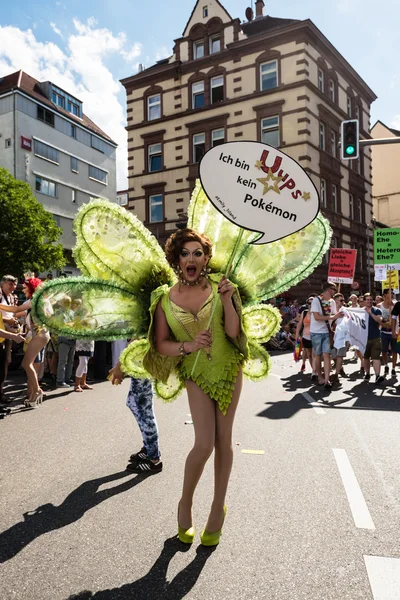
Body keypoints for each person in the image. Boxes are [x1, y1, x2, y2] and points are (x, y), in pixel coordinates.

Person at [110, 228, 246, 547]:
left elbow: (233, 331)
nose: (191, 258)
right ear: (176, 259)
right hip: (195, 372)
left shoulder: (224, 287)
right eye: (185, 253)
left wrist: (227, 300)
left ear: (206, 258)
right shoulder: (164, 299)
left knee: (224, 440)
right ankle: (185, 504)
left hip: (228, 368)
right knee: (204, 443)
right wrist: (188, 345)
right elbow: (160, 344)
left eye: (197, 253)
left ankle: (217, 508)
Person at [0, 278, 50, 406]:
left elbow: (15, 310)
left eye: (25, 287)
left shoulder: (35, 301)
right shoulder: (39, 301)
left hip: (40, 335)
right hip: (41, 335)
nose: (23, 289)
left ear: (32, 288)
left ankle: (37, 390)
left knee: (27, 364)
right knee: (28, 364)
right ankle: (33, 394)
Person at [310, 282, 339, 389]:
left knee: (327, 355)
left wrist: (336, 323)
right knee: (317, 355)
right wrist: (331, 318)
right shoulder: (316, 300)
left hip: (327, 332)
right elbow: (317, 317)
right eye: (334, 290)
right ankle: (320, 376)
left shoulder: (332, 302)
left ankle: (327, 380)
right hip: (316, 332)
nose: (335, 292)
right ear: (329, 290)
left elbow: (334, 316)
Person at [363, 293, 384, 383]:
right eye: (367, 299)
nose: (369, 301)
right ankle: (367, 373)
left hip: (376, 337)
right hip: (363, 338)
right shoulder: (360, 311)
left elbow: (379, 320)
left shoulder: (377, 310)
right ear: (364, 301)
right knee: (366, 357)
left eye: (371, 299)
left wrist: (370, 313)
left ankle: (377, 375)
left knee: (376, 357)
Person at [379, 289, 396, 378]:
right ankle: (386, 365)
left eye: (392, 293)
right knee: (384, 350)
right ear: (385, 295)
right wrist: (383, 322)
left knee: (394, 351)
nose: (392, 294)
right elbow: (378, 319)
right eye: (390, 293)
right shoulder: (379, 306)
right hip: (384, 332)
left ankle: (393, 368)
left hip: (394, 332)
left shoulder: (395, 305)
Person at [331, 292, 348, 382]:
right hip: (331, 336)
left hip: (342, 336)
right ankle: (340, 368)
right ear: (335, 301)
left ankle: (336, 374)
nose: (342, 302)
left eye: (343, 300)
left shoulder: (345, 310)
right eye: (341, 300)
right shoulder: (330, 310)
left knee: (340, 355)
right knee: (334, 355)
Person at [295, 297, 314, 374]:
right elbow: (299, 324)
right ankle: (313, 369)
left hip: (315, 337)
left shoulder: (318, 313)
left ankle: (315, 371)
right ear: (307, 304)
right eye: (309, 303)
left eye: (313, 303)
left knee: (314, 355)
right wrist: (297, 335)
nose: (311, 305)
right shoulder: (304, 312)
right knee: (309, 354)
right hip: (305, 336)